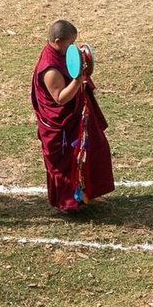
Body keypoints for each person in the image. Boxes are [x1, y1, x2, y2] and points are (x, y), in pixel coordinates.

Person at [30, 20, 114, 211]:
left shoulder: (60, 54)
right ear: (57, 41)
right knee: (66, 163)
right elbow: (60, 99)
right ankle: (68, 203)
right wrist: (78, 79)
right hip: (61, 126)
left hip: (76, 118)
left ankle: (85, 193)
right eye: (70, 43)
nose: (72, 49)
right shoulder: (50, 69)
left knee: (94, 150)